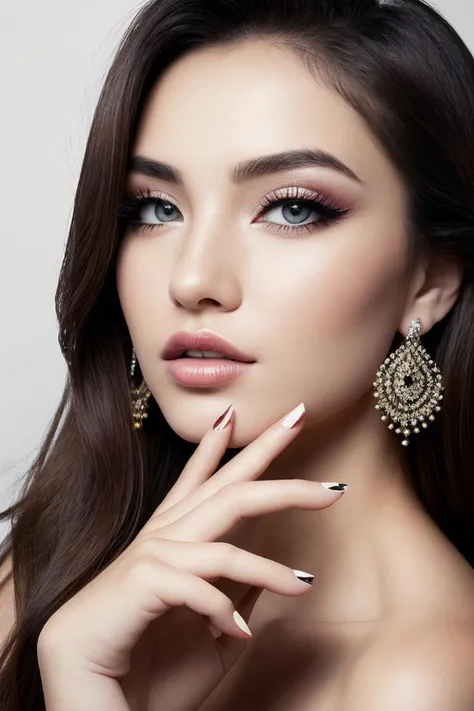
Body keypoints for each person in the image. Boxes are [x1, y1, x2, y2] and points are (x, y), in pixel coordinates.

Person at [1, 0, 474, 708]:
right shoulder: (53, 568)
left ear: (431, 280)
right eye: (154, 208)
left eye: (291, 207)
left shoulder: (421, 676)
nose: (192, 280)